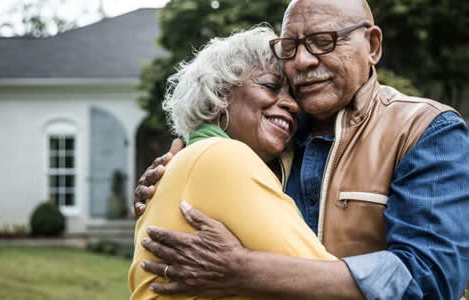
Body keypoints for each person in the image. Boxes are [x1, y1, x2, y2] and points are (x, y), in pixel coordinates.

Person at [134, 0, 469, 299]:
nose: (300, 61)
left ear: (373, 46)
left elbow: (431, 280)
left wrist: (244, 269)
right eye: (290, 47)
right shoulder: (268, 141)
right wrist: (178, 169)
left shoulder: (425, 130)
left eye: (322, 41)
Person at [128, 26, 339, 300]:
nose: (293, 105)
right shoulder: (222, 156)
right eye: (270, 86)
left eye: (295, 96)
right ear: (219, 93)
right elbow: (329, 284)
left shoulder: (192, 160)